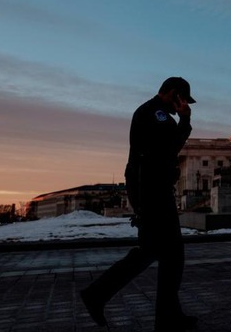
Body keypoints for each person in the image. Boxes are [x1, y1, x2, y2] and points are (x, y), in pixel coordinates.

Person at [81, 77, 198, 331]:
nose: (183, 105)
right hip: (153, 191)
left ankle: (168, 317)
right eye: (183, 100)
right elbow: (169, 149)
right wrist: (185, 120)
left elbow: (166, 151)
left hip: (152, 189)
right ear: (174, 94)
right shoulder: (156, 114)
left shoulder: (154, 113)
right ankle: (97, 295)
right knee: (158, 252)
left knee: (167, 255)